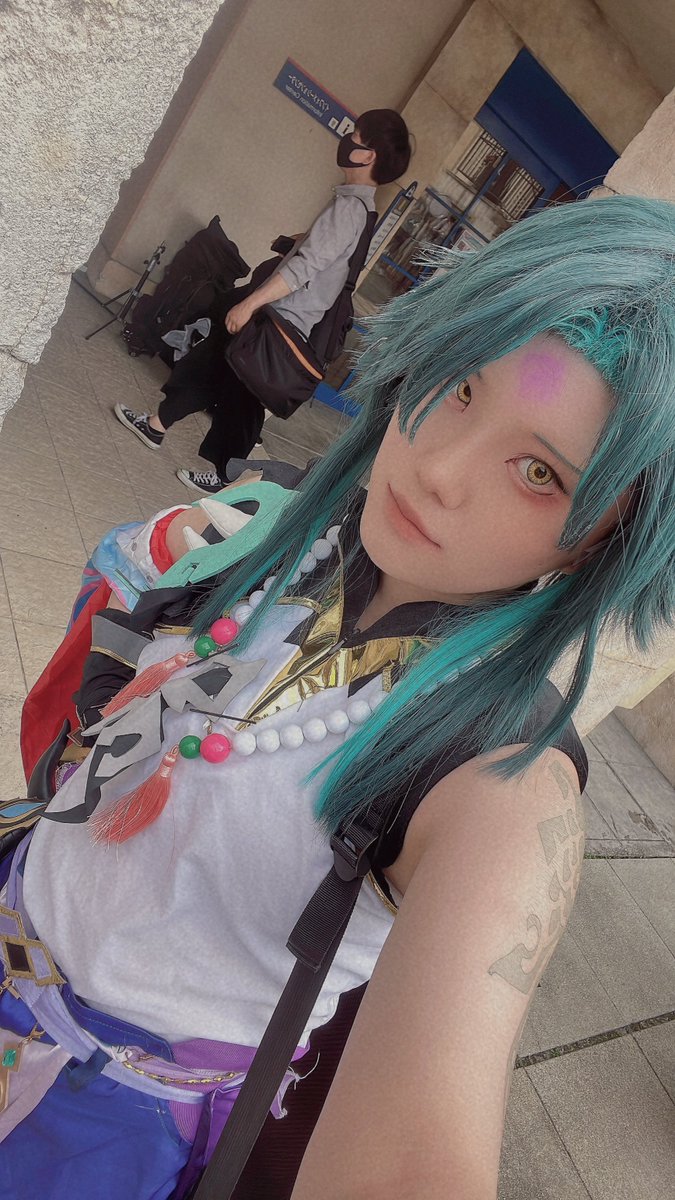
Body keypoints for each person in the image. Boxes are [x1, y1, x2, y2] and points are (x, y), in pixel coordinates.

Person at [2, 194, 674, 1200]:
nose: (439, 469)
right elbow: (105, 650)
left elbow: (415, 1162)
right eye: (462, 385)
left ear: (603, 541)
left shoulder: (495, 774)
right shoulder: (280, 517)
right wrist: (157, 573)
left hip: (98, 1130)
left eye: (538, 471)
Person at [113, 109, 412, 494]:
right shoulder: (358, 207)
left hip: (279, 316)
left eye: (355, 134)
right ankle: (158, 427)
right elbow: (327, 256)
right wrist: (300, 240)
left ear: (367, 154)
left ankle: (225, 476)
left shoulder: (350, 210)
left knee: (241, 397)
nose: (347, 138)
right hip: (279, 311)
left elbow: (305, 269)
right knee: (211, 363)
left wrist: (250, 304)